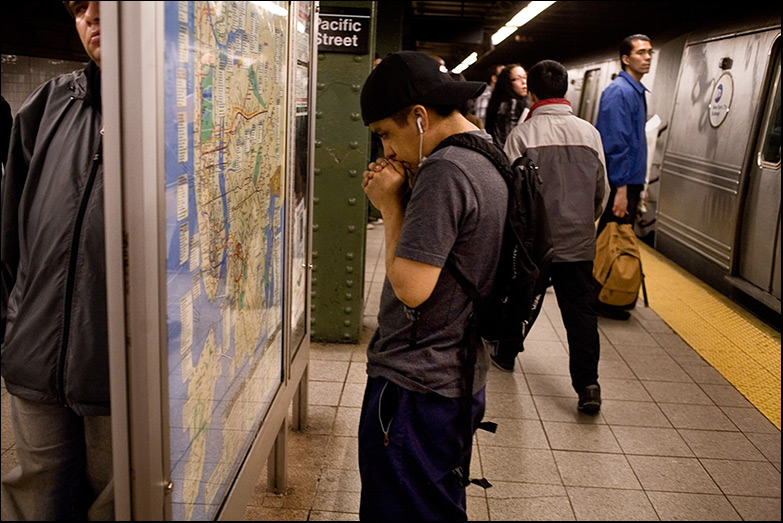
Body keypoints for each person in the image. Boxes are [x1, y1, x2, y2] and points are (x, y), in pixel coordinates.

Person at [358, 51, 507, 520]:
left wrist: (389, 205)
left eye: (385, 133)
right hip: (457, 372)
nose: (386, 150)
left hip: (415, 386)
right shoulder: (487, 150)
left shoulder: (445, 173)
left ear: (419, 118)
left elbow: (411, 288)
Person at [1, 2, 113, 520]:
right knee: (35, 499)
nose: (90, 17)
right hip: (37, 359)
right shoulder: (47, 105)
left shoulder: (185, 116)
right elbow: (12, 240)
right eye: (78, 6)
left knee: (118, 501)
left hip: (121, 375)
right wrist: (15, 325)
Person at [504, 60, 609, 413]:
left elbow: (508, 194)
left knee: (518, 299)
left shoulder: (521, 136)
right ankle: (588, 385)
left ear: (531, 93)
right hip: (578, 242)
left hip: (534, 246)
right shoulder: (590, 134)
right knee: (580, 313)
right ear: (565, 91)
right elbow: (601, 192)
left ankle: (505, 353)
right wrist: (582, 223)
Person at [595, 34, 653, 236]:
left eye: (649, 52)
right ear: (626, 59)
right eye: (641, 52)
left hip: (631, 181)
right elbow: (615, 142)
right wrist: (621, 189)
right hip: (621, 183)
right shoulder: (619, 92)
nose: (648, 57)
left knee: (616, 240)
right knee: (611, 240)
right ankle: (598, 269)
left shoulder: (634, 91)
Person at [485, 63, 530, 149]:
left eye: (525, 77)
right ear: (507, 83)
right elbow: (508, 138)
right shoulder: (510, 105)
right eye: (516, 79)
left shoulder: (498, 103)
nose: (523, 82)